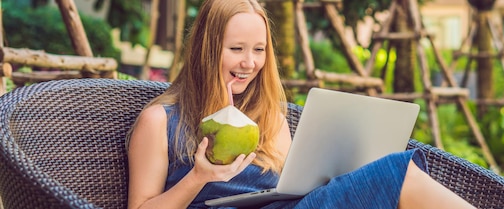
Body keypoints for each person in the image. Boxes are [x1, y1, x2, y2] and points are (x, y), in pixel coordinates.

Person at [126, 0, 475, 208]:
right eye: (236, 49)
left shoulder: (268, 116)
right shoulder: (160, 121)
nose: (250, 62)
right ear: (206, 49)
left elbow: (291, 187)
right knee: (397, 172)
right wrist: (199, 176)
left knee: (392, 173)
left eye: (259, 50)